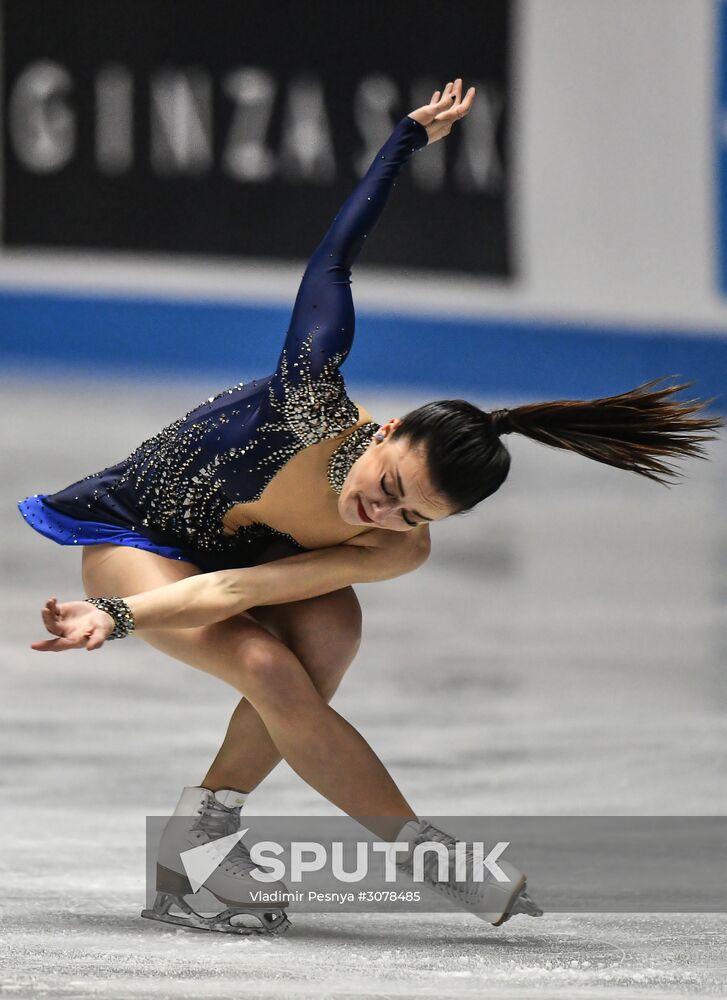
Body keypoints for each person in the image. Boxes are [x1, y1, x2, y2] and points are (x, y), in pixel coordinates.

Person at [21, 79, 721, 936]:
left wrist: (119, 618)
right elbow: (334, 259)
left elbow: (241, 592)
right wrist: (404, 144)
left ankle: (194, 845)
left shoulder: (396, 547)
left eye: (414, 518)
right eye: (390, 489)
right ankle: (411, 855)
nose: (382, 517)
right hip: (139, 532)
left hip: (229, 569)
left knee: (327, 639)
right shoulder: (308, 399)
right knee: (273, 673)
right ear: (385, 430)